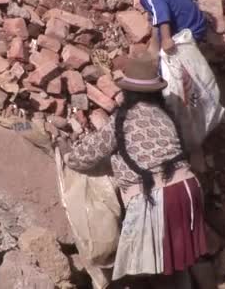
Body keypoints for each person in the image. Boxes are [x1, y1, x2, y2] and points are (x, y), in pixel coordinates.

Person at [61, 53, 207, 289]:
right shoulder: (166, 115)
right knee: (177, 262)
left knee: (153, 269)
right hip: (188, 191)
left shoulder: (122, 119)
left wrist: (67, 155)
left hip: (159, 200)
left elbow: (86, 156)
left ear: (128, 91)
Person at [120, 0, 222, 173]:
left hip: (180, 37)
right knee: (190, 74)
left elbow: (161, 13)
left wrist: (165, 40)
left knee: (176, 87)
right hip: (195, 29)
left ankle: (185, 135)